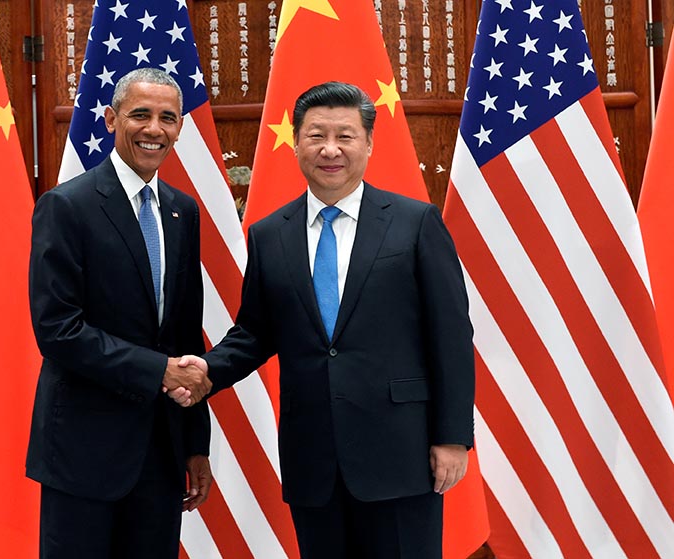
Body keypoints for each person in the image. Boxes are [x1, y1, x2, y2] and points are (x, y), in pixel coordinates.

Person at [174, 81, 475, 558]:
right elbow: (255, 331)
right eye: (316, 135)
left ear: (369, 143)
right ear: (296, 143)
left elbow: (452, 337)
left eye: (345, 136)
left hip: (402, 451)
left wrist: (453, 437)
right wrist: (208, 371)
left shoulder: (415, 223)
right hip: (313, 456)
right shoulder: (271, 234)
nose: (330, 149)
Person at [26, 67, 213, 558]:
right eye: (140, 115)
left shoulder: (182, 210)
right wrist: (159, 371)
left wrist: (196, 443)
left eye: (168, 118)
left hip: (161, 450)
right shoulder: (66, 206)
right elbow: (57, 330)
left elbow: (184, 333)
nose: (155, 129)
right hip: (84, 450)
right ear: (110, 119)